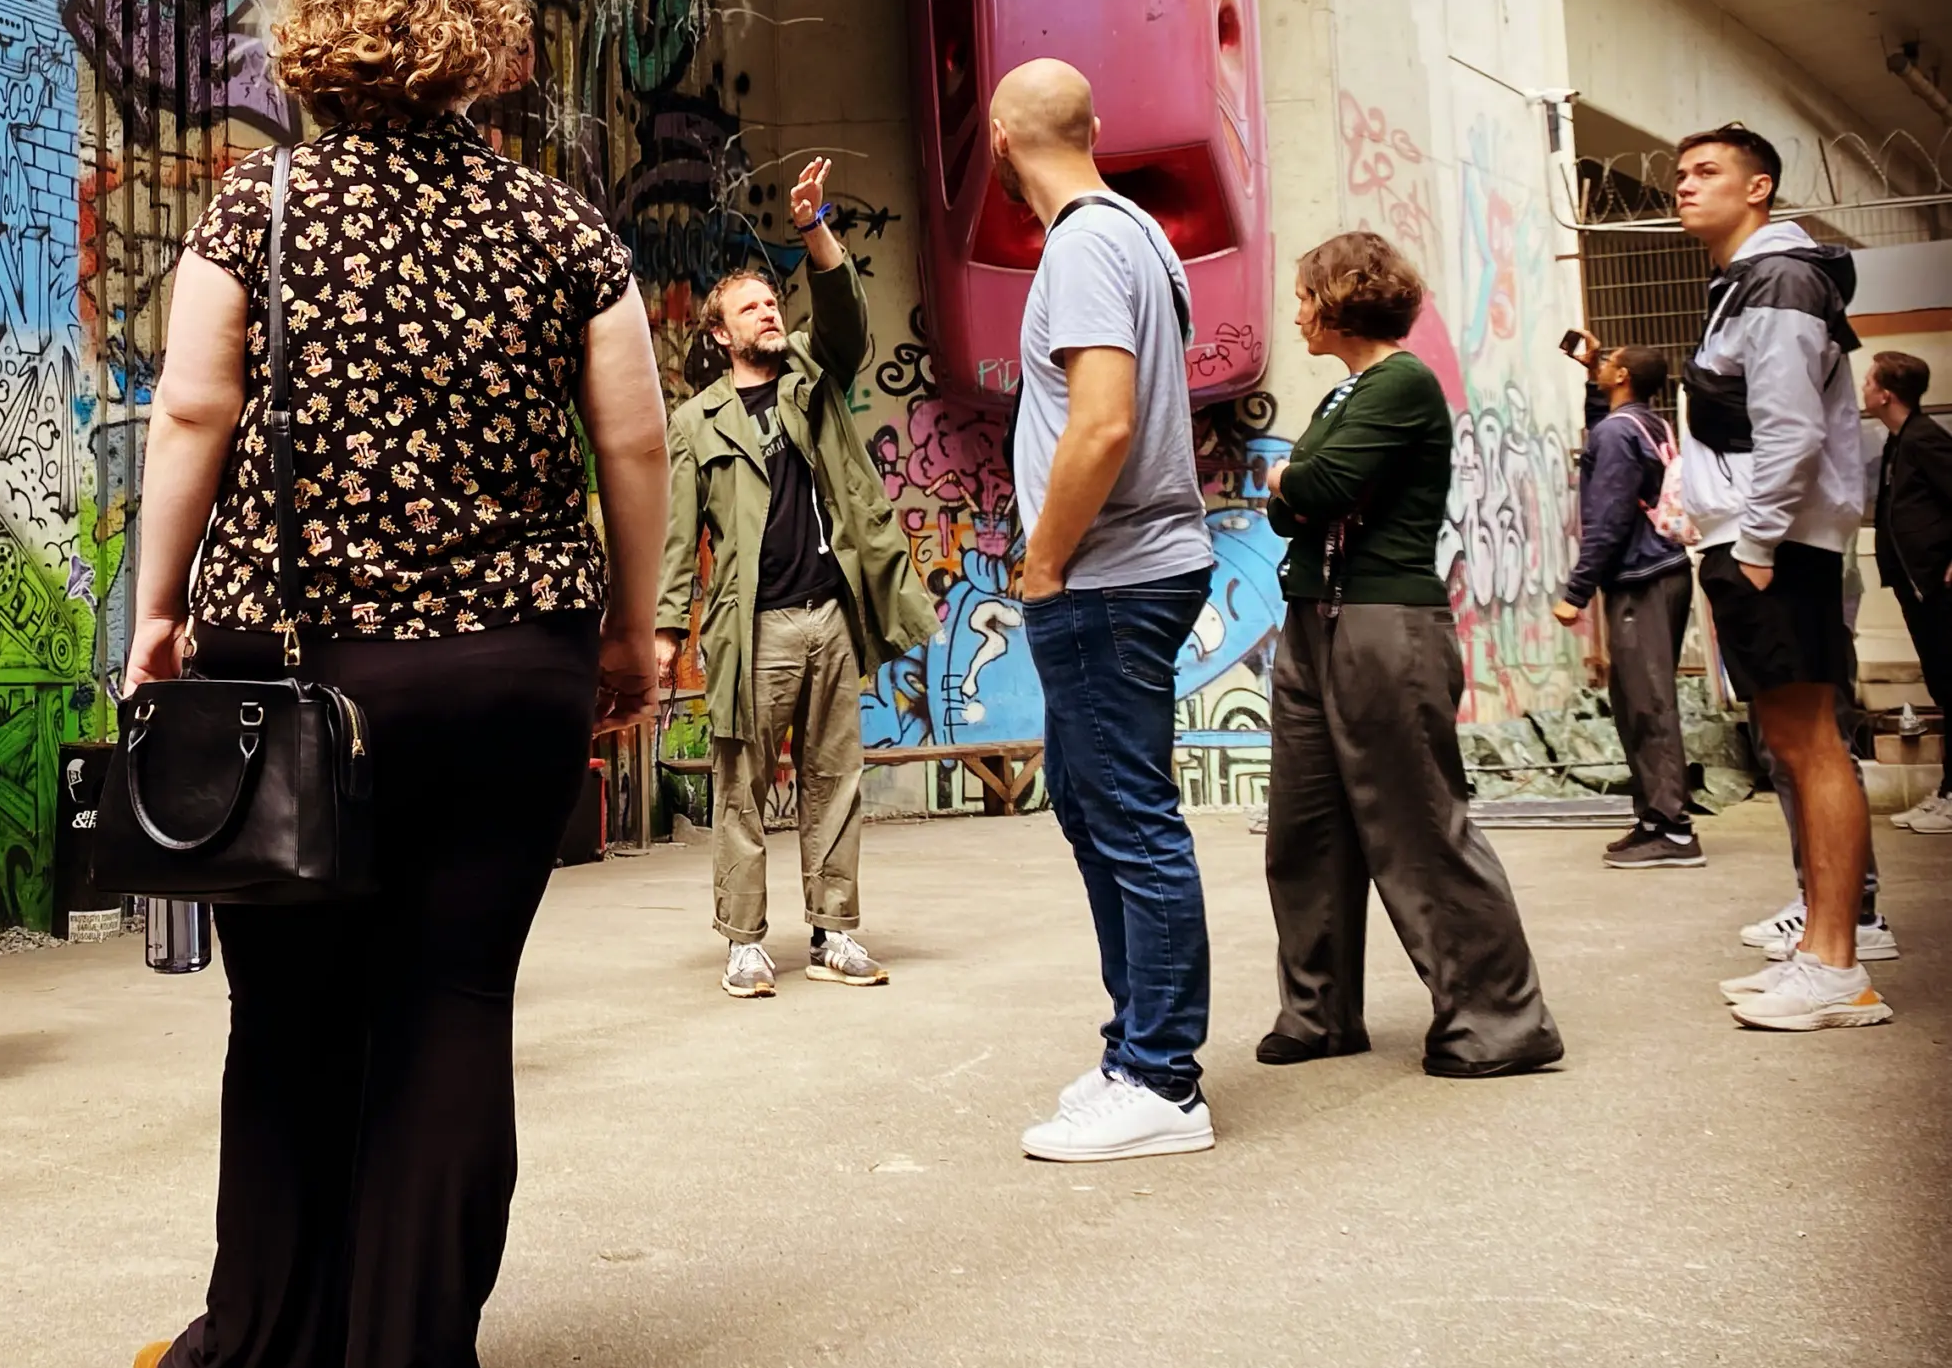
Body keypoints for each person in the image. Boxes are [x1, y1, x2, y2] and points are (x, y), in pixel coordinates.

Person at [122, 0, 669, 1368]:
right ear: (483, 49)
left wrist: (159, 607)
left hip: (298, 669)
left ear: (320, 43)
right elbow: (630, 444)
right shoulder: (564, 230)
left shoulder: (257, 207)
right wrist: (629, 632)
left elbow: (192, 409)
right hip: (508, 673)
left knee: (287, 1020)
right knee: (448, 1009)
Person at [1259, 233, 1563, 1079]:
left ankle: (1500, 1021)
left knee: (1416, 823)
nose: (1296, 313)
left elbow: (1309, 491)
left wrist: (1292, 481)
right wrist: (1296, 486)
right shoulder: (1343, 397)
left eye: (1303, 296)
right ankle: (1318, 1014)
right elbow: (1294, 510)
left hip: (1385, 623)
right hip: (1314, 617)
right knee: (1305, 827)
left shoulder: (1402, 382)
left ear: (1337, 299)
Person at [985, 61, 1218, 1164]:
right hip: (1131, 570)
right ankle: (1137, 1050)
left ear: (998, 140)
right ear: (1096, 124)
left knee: (1128, 818)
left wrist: (1042, 562)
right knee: (1095, 807)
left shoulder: (1081, 245)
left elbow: (1103, 425)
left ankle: (1164, 1080)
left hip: (1106, 576)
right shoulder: (1139, 235)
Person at [657, 158, 937, 999]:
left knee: (835, 781)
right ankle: (745, 941)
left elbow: (845, 318)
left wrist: (814, 229)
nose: (768, 313)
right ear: (719, 334)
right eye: (750, 307)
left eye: (772, 302)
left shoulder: (811, 381)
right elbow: (678, 540)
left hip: (830, 617)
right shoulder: (693, 423)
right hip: (754, 627)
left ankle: (834, 933)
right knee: (743, 786)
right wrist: (669, 632)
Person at [1674, 124, 1892, 1031]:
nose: (1685, 186)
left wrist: (1757, 543)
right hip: (1760, 542)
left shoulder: (1778, 278)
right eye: (1680, 174)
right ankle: (1821, 949)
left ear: (1759, 187)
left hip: (1778, 546)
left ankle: (1840, 966)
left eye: (1707, 171)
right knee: (1795, 748)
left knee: (1812, 748)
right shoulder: (1748, 283)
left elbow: (1792, 427)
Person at [1551, 346, 1701, 867]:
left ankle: (1674, 831)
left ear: (1623, 376)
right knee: (1637, 697)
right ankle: (1653, 819)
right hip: (1661, 571)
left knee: (1649, 702)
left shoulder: (1619, 432)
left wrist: (1576, 592)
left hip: (1643, 578)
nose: (1601, 364)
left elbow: (1609, 517)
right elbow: (1605, 442)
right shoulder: (1644, 423)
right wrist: (1592, 379)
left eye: (1607, 362)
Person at [1866, 349, 1952, 833]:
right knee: (1942, 686)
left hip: (1936, 584)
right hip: (1913, 586)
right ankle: (1945, 791)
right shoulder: (1897, 442)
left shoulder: (1923, 439)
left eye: (1870, 382)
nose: (1864, 389)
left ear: (1886, 393)